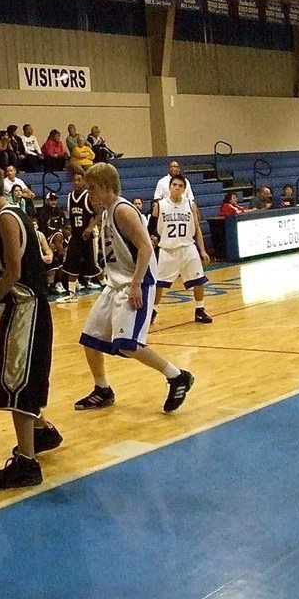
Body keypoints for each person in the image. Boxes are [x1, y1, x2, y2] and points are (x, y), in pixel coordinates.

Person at [0, 164, 61, 490]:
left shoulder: (6, 217)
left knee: (16, 381)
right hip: (24, 308)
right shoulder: (15, 214)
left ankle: (27, 464)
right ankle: (42, 432)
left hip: (27, 308)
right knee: (19, 377)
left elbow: (14, 273)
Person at [74, 163, 194, 413]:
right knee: (91, 338)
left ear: (107, 186)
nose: (89, 193)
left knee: (129, 344)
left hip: (136, 282)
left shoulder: (122, 210)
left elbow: (146, 247)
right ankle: (102, 389)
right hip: (115, 283)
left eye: (92, 188)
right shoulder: (107, 210)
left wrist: (137, 283)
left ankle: (176, 376)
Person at [152, 176, 212, 325]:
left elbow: (197, 228)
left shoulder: (191, 205)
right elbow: (151, 229)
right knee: (159, 284)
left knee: (199, 280)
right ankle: (152, 310)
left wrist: (202, 250)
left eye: (180, 185)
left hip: (188, 247)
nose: (177, 187)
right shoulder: (160, 205)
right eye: (174, 185)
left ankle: (200, 310)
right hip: (168, 249)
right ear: (169, 186)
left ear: (184, 189)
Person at [58, 170, 100, 303]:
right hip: (76, 236)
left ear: (84, 182)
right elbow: (70, 217)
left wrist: (90, 227)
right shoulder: (70, 197)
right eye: (74, 180)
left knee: (93, 266)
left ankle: (106, 286)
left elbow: (99, 215)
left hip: (88, 236)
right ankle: (71, 294)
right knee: (71, 264)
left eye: (79, 180)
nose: (76, 182)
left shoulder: (89, 196)